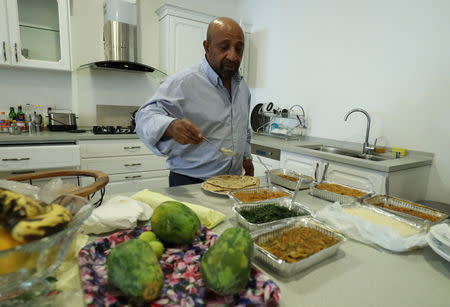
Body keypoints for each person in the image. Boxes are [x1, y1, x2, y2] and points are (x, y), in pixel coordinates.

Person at [136, 17, 254, 187]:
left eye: (239, 49)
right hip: (190, 183)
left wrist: (246, 157)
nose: (233, 56)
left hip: (233, 183)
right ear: (207, 47)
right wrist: (171, 127)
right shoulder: (184, 82)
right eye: (224, 47)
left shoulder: (243, 87)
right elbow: (144, 116)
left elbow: (244, 128)